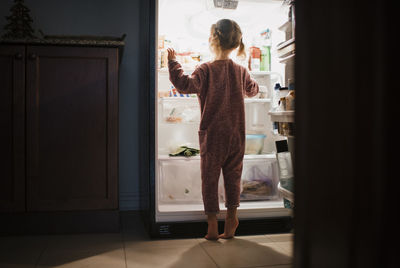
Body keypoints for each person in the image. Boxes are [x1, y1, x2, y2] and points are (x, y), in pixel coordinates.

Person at [167, 19, 259, 240]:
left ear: (212, 40)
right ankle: (231, 220)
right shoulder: (241, 70)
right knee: (233, 177)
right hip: (236, 134)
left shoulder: (205, 69)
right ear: (236, 45)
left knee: (209, 178)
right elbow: (253, 90)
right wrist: (252, 77)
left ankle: (211, 226)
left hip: (212, 135)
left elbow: (184, 85)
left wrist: (172, 62)